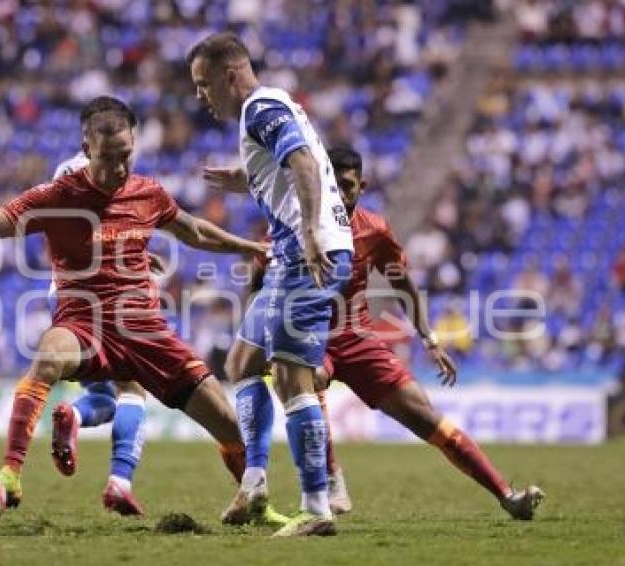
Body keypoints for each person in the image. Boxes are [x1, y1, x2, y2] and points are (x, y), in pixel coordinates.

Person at [0, 96, 260, 515]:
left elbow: (194, 231)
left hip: (145, 330)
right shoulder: (57, 197)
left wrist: (248, 246)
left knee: (229, 426)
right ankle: (10, 474)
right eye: (109, 158)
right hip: (84, 324)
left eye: (126, 156)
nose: (120, 168)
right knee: (48, 357)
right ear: (86, 151)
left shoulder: (148, 193)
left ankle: (253, 502)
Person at [209, 146, 546, 521]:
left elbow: (403, 285)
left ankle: (507, 495)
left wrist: (429, 340)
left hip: (357, 336)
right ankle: (332, 481)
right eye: (331, 185)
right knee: (310, 378)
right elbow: (259, 278)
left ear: (362, 186)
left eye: (348, 186)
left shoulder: (375, 230)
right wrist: (259, 325)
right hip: (307, 332)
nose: (339, 193)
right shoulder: (295, 223)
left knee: (424, 415)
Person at [189, 32, 354, 537]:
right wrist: (244, 178)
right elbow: (283, 166)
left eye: (204, 84)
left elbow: (302, 161)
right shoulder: (262, 114)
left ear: (230, 74)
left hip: (308, 253)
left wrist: (307, 231)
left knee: (290, 378)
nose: (201, 96)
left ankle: (316, 507)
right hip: (290, 257)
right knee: (241, 362)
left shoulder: (260, 105)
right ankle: (255, 483)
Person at [47, 151, 150, 516]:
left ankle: (73, 416)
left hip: (61, 296)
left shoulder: (63, 172)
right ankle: (120, 482)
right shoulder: (102, 174)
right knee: (133, 390)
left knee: (105, 402)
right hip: (108, 294)